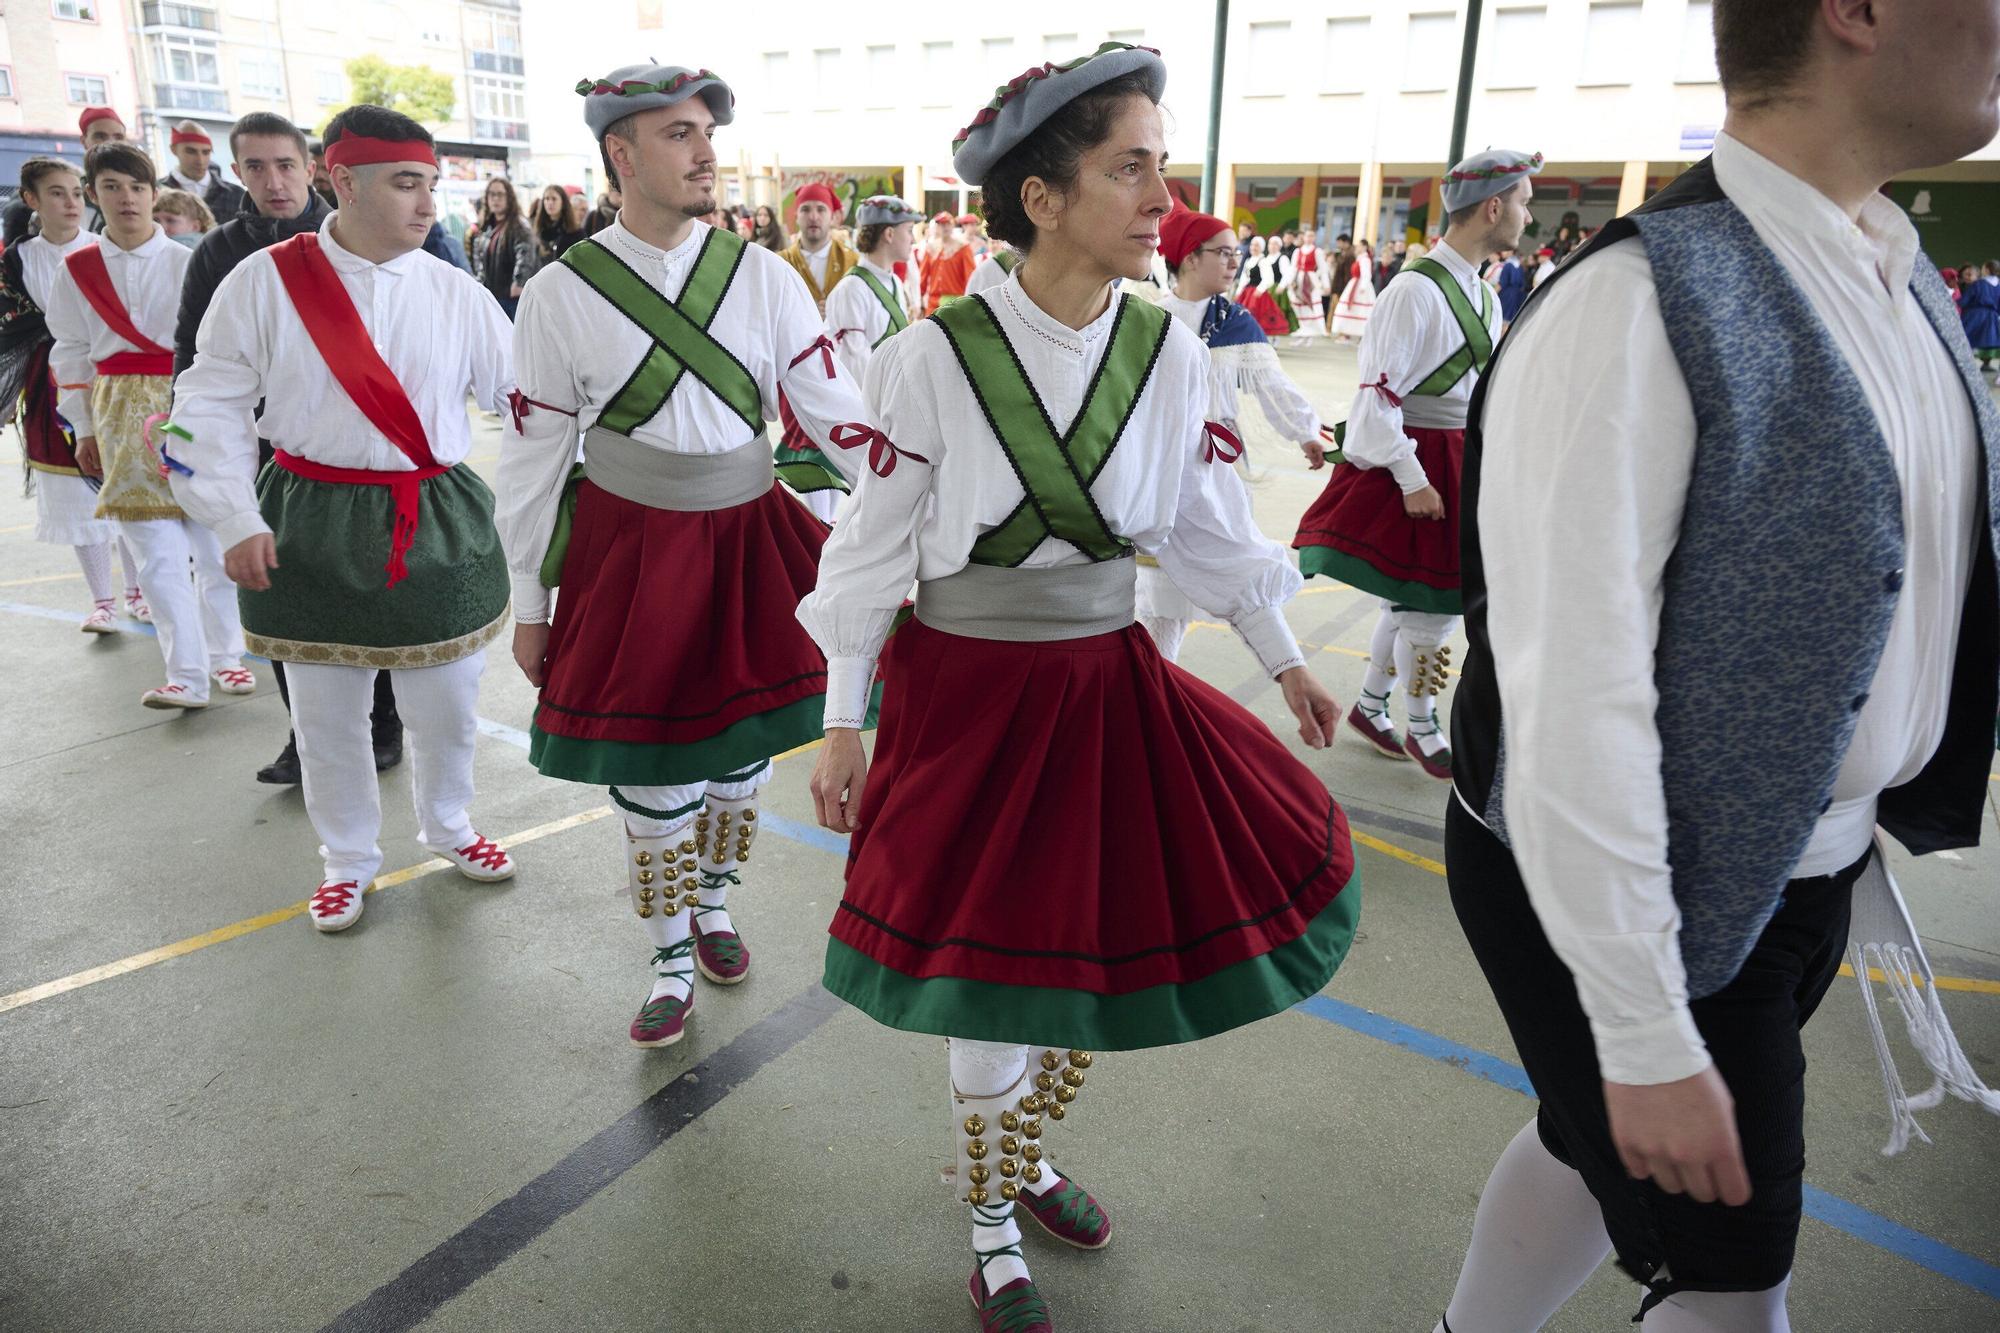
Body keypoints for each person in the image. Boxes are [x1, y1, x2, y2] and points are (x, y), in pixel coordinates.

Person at [1443, 2, 2000, 1328]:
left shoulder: (1895, 273)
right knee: (1734, 1280)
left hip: (1803, 862)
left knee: (1590, 1153)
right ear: (1854, 14)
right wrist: (1640, 1029)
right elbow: (1570, 703)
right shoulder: (1637, 303)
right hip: (1642, 887)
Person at [798, 43, 1359, 1333]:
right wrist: (841, 717)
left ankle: (1017, 1154)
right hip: (968, 692)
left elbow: (1206, 527)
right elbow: (870, 549)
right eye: (1129, 168)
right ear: (1039, 197)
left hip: (1108, 681)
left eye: (1159, 166)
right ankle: (991, 1210)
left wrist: (1281, 658)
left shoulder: (1170, 353)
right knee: (992, 968)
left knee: (1079, 944)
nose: (1160, 197)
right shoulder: (931, 356)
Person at [499, 63, 875, 1050]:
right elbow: (534, 457)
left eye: (706, 131)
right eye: (678, 133)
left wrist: (916, 519)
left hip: (749, 535)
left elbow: (842, 422)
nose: (706, 150)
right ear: (620, 154)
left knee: (742, 756)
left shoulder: (764, 277)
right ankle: (668, 951)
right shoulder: (558, 292)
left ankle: (714, 902)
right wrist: (528, 600)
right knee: (655, 769)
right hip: (630, 548)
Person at [166, 104, 518, 934]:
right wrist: (230, 515)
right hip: (308, 515)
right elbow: (204, 402)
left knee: (447, 704)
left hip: (432, 512)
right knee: (325, 714)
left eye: (431, 184)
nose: (428, 204)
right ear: (343, 181)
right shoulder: (260, 281)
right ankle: (347, 860)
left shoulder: (455, 291)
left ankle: (449, 824)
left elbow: (528, 402)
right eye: (406, 184)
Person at [170, 110, 403, 787]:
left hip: (363, 449)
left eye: (285, 164)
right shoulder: (219, 252)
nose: (273, 181)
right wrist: (186, 442)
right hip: (269, 454)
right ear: (237, 172)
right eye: (256, 167)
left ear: (314, 167)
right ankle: (306, 731)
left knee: (368, 587)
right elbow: (193, 357)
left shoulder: (361, 234)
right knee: (281, 592)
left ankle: (382, 719)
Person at [1293, 149, 1539, 780]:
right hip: (1422, 464)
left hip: (1459, 458)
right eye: (1522, 201)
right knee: (1433, 612)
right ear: (1493, 207)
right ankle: (1421, 720)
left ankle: (1374, 707)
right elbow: (1376, 400)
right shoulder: (1413, 290)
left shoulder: (1481, 292)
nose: (1527, 213)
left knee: (1411, 607)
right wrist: (1414, 479)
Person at [47, 141, 251, 711]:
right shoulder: (77, 271)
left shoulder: (188, 261)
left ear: (152, 193)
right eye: (112, 187)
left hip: (187, 404)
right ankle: (184, 675)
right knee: (157, 556)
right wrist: (82, 429)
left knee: (213, 544)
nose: (127, 198)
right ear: (94, 194)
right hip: (117, 413)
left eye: (137, 187)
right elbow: (70, 350)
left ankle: (226, 657)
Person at [1144, 205, 1333, 660]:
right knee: (1157, 591)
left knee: (1226, 567)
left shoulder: (1235, 321)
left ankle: (1276, 665)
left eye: (1237, 253)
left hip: (1216, 468)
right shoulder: (1148, 318)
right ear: (1189, 258)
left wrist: (1304, 430)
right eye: (1224, 253)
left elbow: (1270, 383)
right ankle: (1157, 679)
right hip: (1159, 468)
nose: (1235, 262)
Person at [1, 156, 146, 633]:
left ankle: (137, 592)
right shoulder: (16, 260)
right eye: (56, 193)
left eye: (74, 191)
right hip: (50, 382)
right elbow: (11, 325)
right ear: (31, 201)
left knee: (126, 480)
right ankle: (102, 599)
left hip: (111, 378)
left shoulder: (105, 249)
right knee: (74, 490)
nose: (70, 202)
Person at [778, 183, 856, 314]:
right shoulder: (781, 262)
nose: (813, 217)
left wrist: (840, 311)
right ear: (796, 217)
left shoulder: (852, 262)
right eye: (805, 209)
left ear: (832, 217)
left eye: (821, 209)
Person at [470, 177, 536, 318]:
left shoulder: (518, 225)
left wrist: (519, 282)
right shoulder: (486, 227)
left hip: (511, 298)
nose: (495, 199)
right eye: (491, 194)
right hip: (492, 297)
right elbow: (479, 262)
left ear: (509, 198)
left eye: (500, 194)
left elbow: (525, 254)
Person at [159, 122, 247, 226]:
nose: (200, 160)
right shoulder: (157, 192)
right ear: (173, 150)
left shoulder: (236, 194)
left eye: (206, 152)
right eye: (191, 152)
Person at [1282, 222, 1330, 348]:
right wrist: (1287, 282)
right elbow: (1293, 268)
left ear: (1314, 238)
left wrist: (1325, 284)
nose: (1308, 238)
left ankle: (1310, 335)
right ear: (1303, 237)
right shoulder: (1298, 251)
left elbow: (1323, 268)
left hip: (1310, 281)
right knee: (1299, 308)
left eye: (1311, 236)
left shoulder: (1317, 251)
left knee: (1310, 308)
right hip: (1298, 280)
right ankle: (1303, 332)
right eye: (1307, 236)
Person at [921, 210, 977, 314]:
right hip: (933, 303)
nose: (945, 227)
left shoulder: (963, 247)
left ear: (952, 225)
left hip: (955, 302)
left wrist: (971, 302)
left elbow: (971, 277)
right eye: (941, 224)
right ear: (937, 227)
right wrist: (919, 300)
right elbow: (923, 277)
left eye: (947, 223)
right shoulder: (930, 248)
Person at [1234, 234, 1288, 336]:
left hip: (1258, 293)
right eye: (1252, 245)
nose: (1254, 248)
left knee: (1259, 317)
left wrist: (1260, 289)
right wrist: (1239, 291)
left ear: (1262, 248)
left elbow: (1269, 278)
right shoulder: (1248, 260)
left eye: (1257, 246)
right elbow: (1243, 279)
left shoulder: (1263, 261)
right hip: (1247, 292)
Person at [1330, 237, 1375, 342]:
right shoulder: (1360, 258)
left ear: (1364, 247)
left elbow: (1366, 274)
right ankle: (1347, 334)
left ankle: (1361, 335)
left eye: (1359, 246)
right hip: (1354, 284)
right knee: (1350, 309)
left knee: (1361, 310)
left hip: (1360, 287)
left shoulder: (1365, 259)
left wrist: (1363, 287)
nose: (1357, 248)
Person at [1961, 256, 2000, 374]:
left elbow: (1965, 300)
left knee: (1966, 336)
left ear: (1987, 270)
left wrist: (1957, 303)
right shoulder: (1999, 285)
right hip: (1992, 316)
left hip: (1975, 314)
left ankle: (1964, 363)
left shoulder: (1978, 284)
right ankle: (1986, 363)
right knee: (1989, 339)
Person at [533, 183, 584, 262]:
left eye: (554, 199)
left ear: (563, 202)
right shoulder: (538, 229)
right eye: (547, 199)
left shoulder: (575, 231)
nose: (550, 203)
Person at [1496, 245, 1529, 330]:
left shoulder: (1508, 265)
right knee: (1506, 322)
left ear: (1510, 252)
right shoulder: (1519, 266)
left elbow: (1502, 283)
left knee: (1499, 319)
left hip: (1506, 294)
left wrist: (1492, 294)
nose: (1502, 252)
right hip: (1515, 296)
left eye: (1504, 250)